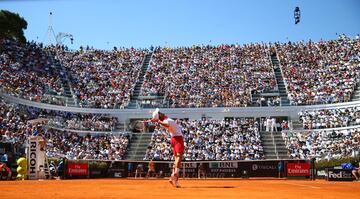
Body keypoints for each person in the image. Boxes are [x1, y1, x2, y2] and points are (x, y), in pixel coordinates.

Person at [146, 108, 184, 188]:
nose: (161, 113)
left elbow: (162, 121)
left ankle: (174, 179)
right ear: (159, 115)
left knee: (177, 160)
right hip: (178, 139)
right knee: (179, 158)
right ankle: (174, 175)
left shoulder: (165, 119)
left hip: (173, 139)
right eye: (159, 112)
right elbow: (166, 124)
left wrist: (155, 118)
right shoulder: (167, 121)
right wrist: (158, 121)